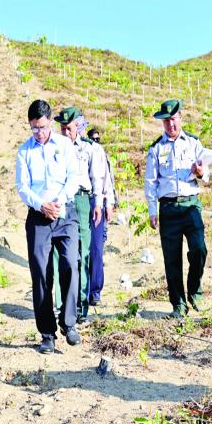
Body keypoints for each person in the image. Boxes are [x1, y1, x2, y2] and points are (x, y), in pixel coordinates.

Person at [15, 99, 82, 354]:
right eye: (34, 128)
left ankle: (69, 323)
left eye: (42, 127)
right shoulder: (24, 151)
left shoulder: (64, 145)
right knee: (41, 274)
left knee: (70, 264)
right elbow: (23, 187)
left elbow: (73, 178)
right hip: (38, 216)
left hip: (65, 213)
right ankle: (47, 333)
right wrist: (42, 205)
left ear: (50, 122)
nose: (38, 133)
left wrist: (58, 202)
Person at [144, 99, 209, 318]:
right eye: (166, 121)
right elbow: (151, 182)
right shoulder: (156, 148)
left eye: (173, 119)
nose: (170, 124)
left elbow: (206, 173)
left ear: (180, 117)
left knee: (199, 249)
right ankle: (178, 305)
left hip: (191, 205)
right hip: (168, 207)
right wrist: (152, 210)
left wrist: (201, 173)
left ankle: (194, 290)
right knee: (172, 259)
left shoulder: (193, 142)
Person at [54, 107, 106, 323]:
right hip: (61, 199)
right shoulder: (54, 147)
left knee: (83, 251)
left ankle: (81, 306)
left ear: (78, 127)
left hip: (82, 199)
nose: (66, 133)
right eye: (63, 129)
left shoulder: (89, 148)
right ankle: (60, 305)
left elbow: (97, 177)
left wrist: (99, 204)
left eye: (69, 128)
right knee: (59, 253)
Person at [87, 127, 118, 307]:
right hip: (84, 201)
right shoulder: (82, 150)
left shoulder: (101, 154)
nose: (95, 142)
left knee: (97, 249)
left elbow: (108, 180)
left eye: (98, 139)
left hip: (100, 203)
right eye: (93, 138)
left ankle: (95, 291)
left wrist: (110, 203)